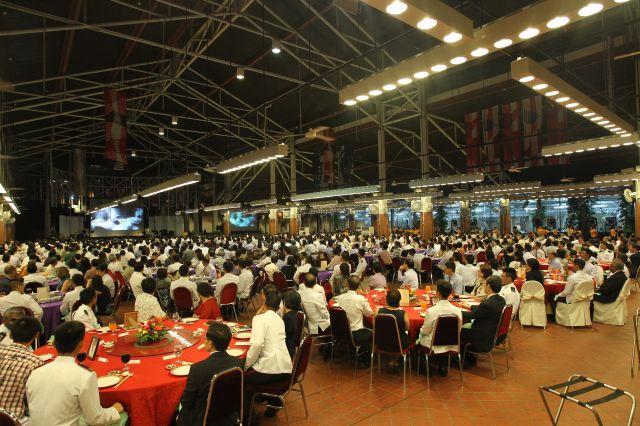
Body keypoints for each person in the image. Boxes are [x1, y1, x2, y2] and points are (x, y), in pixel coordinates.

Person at [27, 321, 126, 425]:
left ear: (54, 345)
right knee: (123, 417)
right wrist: (115, 410)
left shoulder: (35, 373)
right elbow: (96, 419)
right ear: (80, 344)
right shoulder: (85, 376)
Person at [177, 322, 245, 426]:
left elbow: (187, 402)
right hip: (229, 415)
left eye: (205, 339)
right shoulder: (238, 363)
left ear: (211, 343)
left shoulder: (197, 369)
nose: (204, 341)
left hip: (204, 419)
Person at [244, 292, 293, 419]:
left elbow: (257, 344)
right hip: (286, 368)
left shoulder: (259, 319)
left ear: (264, 304)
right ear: (278, 307)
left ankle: (248, 416)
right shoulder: (279, 320)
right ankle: (273, 404)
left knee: (241, 378)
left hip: (271, 369)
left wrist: (246, 365)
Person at [0, 317, 43, 423]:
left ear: (10, 334)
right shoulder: (35, 362)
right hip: (11, 419)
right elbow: (35, 398)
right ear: (37, 335)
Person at [417, 280, 462, 376]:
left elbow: (425, 331)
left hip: (433, 345)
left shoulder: (431, 311)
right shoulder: (458, 311)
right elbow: (459, 329)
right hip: (451, 343)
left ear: (437, 293)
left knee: (418, 335)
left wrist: (419, 333)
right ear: (450, 293)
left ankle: (424, 367)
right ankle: (442, 364)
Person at [459, 276, 506, 367]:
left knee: (458, 331)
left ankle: (462, 360)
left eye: (485, 284)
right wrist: (469, 306)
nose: (484, 286)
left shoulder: (487, 303)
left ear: (488, 286)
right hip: (493, 332)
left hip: (482, 335)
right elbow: (482, 310)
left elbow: (472, 315)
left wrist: (456, 311)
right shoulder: (500, 300)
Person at [333, 276, 374, 349]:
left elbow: (334, 299)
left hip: (341, 331)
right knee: (373, 331)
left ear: (347, 285)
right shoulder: (360, 299)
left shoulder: (340, 297)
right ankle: (368, 352)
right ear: (358, 286)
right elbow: (369, 313)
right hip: (356, 333)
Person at [282, 290, 302, 357]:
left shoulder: (287, 317)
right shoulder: (295, 314)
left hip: (287, 349)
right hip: (292, 346)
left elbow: (283, 335)